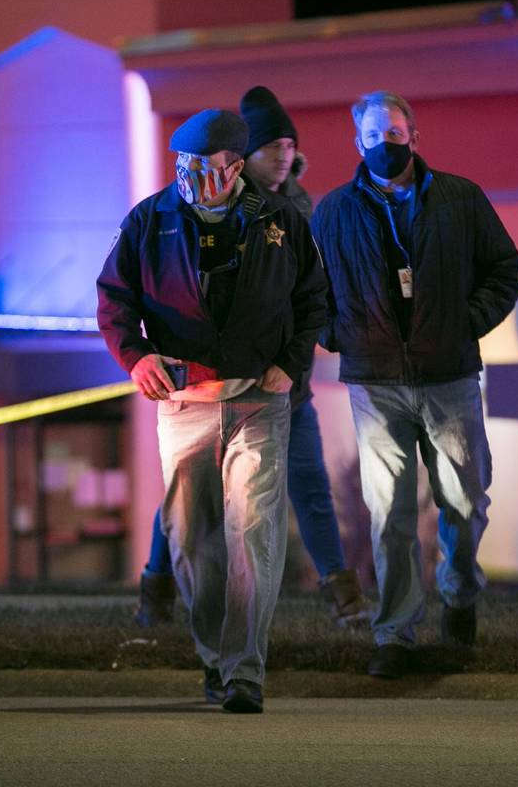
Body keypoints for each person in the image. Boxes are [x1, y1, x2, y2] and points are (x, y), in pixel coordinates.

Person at [97, 108, 326, 713]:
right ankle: (213, 658)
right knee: (191, 538)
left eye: (203, 167)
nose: (190, 177)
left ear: (233, 166)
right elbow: (114, 300)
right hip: (182, 402)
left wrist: (292, 363)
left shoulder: (279, 219)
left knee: (253, 529)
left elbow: (313, 299)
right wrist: (136, 358)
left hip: (259, 399)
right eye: (183, 165)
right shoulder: (151, 220)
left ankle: (244, 671)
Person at [134, 86, 370, 630]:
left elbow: (314, 292)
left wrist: (297, 358)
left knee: (308, 486)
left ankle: (344, 598)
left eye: (290, 144)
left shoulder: (298, 211)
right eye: (271, 147)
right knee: (186, 495)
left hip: (287, 384)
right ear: (241, 157)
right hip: (208, 388)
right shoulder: (192, 213)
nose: (283, 154)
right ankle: (158, 587)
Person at [310, 91, 518, 679]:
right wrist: (338, 335)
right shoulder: (332, 213)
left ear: (415, 136)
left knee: (463, 499)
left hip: (450, 375)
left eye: (395, 133)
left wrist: (468, 322)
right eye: (374, 136)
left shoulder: (461, 199)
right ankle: (395, 634)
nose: (386, 145)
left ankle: (458, 595)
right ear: (358, 143)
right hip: (374, 383)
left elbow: (504, 268)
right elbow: (310, 290)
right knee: (390, 513)